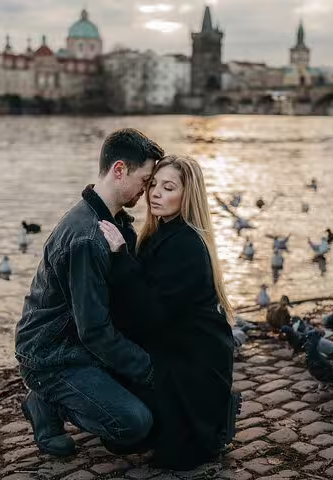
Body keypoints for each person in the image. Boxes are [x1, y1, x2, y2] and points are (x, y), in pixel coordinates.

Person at [14, 128, 165, 456]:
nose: (148, 190)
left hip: (80, 344)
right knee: (134, 423)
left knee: (159, 406)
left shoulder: (114, 221)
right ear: (120, 170)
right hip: (52, 356)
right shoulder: (87, 238)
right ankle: (45, 402)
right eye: (145, 180)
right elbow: (95, 331)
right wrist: (150, 370)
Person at [98, 155, 238, 470]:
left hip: (192, 368)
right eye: (153, 185)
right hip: (173, 354)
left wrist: (119, 255)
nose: (155, 194)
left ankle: (214, 419)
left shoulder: (186, 244)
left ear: (187, 195)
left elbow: (150, 315)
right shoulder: (160, 235)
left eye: (168, 187)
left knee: (132, 437)